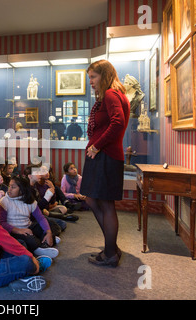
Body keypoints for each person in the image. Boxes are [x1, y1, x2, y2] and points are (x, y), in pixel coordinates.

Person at [80, 60, 130, 267]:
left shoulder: (110, 94)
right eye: (89, 77)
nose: (90, 81)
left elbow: (117, 123)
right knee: (92, 199)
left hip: (105, 156)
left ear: (105, 75)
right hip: (104, 156)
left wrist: (97, 145)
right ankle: (111, 247)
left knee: (106, 204)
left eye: (93, 77)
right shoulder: (112, 95)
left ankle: (110, 252)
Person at [0, 176, 59, 259]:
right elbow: (2, 223)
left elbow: (40, 218)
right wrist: (18, 230)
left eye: (13, 187)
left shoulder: (30, 201)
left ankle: (46, 241)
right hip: (13, 231)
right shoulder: (4, 202)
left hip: (28, 227)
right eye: (9, 186)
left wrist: (48, 232)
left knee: (48, 226)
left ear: (22, 190)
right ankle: (39, 249)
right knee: (29, 239)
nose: (9, 189)